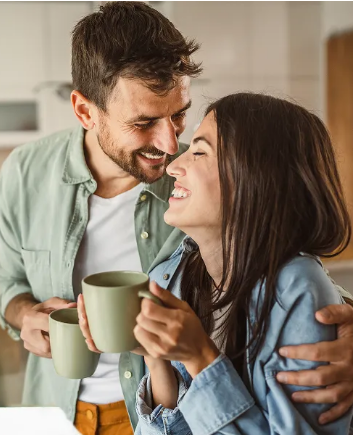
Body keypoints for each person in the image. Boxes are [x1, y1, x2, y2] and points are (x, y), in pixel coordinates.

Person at [0, 2, 353, 434]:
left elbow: (280, 274)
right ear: (86, 111)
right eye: (143, 123)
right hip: (64, 411)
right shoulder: (25, 172)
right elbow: (5, 285)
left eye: (179, 115)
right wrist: (24, 314)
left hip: (156, 410)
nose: (169, 145)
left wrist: (332, 326)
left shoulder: (203, 189)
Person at [76, 92, 353, 434]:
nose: (174, 165)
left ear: (254, 178)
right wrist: (154, 355)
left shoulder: (298, 289)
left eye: (199, 151)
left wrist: (200, 358)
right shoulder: (174, 275)